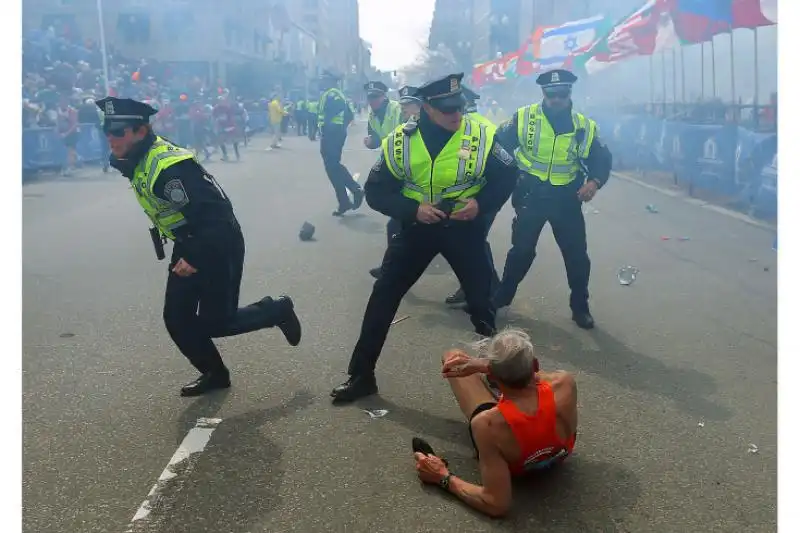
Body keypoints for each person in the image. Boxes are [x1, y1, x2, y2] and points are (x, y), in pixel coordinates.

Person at [330, 73, 518, 403]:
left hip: (464, 230)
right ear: (427, 109)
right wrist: (412, 210)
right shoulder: (401, 140)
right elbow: (376, 192)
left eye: (458, 107)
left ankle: (502, 378)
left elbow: (508, 174)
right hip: (417, 230)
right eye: (447, 109)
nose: (456, 114)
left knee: (482, 306)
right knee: (382, 298)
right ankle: (361, 376)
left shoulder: (480, 133)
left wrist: (481, 204)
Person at [96, 97, 302, 397]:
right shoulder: (138, 155)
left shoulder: (170, 167)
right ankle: (214, 374)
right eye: (107, 131)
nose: (110, 138)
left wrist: (193, 256)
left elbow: (217, 215)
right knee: (177, 318)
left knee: (217, 321)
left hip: (217, 243)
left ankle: (277, 310)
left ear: (141, 131)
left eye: (118, 132)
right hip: (191, 238)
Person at [412, 328, 578, 517]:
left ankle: (501, 389)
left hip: (517, 465)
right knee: (523, 395)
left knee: (452, 356)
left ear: (491, 376)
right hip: (558, 454)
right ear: (535, 364)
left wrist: (442, 477)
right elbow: (536, 377)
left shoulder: (487, 424)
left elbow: (496, 503)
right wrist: (489, 365)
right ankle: (506, 386)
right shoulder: (565, 383)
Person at [493, 69, 612, 329]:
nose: (556, 99)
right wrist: (511, 170)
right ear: (543, 93)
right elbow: (498, 144)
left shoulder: (584, 126)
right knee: (521, 252)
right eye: (551, 94)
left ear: (569, 93)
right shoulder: (524, 117)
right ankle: (501, 298)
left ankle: (580, 307)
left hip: (566, 199)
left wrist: (594, 182)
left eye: (561, 94)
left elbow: (602, 159)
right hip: (531, 195)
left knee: (577, 256)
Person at [444, 86, 504, 308]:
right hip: (482, 197)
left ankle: (487, 294)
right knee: (471, 245)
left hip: (476, 198)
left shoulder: (473, 129)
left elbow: (462, 164)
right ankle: (480, 289)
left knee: (471, 246)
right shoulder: (482, 123)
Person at [369, 84, 422, 280]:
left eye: (408, 105)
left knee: (459, 247)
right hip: (413, 191)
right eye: (403, 105)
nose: (403, 109)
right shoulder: (408, 127)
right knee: (397, 228)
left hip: (430, 194)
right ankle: (390, 270)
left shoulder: (423, 128)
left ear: (419, 106)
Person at [317, 70, 363, 216]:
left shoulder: (332, 94)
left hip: (332, 134)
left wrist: (330, 126)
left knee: (332, 166)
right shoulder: (336, 93)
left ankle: (355, 190)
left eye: (324, 79)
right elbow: (349, 114)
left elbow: (338, 109)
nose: (321, 81)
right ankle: (344, 201)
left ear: (331, 81)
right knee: (332, 168)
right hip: (334, 133)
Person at [363, 81, 402, 150]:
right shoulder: (372, 115)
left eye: (376, 97)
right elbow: (376, 137)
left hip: (403, 149)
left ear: (384, 96)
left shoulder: (397, 109)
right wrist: (371, 142)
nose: (372, 100)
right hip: (389, 151)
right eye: (370, 97)